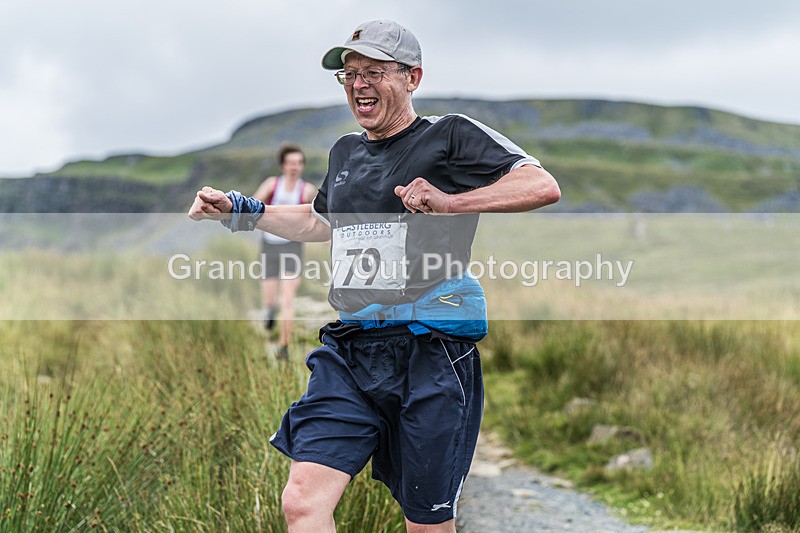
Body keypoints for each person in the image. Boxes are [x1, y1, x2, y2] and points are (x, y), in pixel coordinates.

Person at [188, 19, 560, 533]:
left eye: (374, 72)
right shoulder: (344, 152)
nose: (358, 84)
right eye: (349, 73)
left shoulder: (449, 135)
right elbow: (320, 223)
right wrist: (242, 209)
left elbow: (541, 185)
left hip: (430, 351)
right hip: (351, 349)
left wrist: (450, 202)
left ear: (413, 77)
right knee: (302, 501)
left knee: (425, 523)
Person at [252, 143, 317, 360]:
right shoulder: (272, 184)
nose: (294, 167)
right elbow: (253, 205)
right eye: (290, 163)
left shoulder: (306, 190)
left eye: (298, 163)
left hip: (292, 246)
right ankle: (271, 311)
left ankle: (284, 347)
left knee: (288, 298)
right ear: (282, 166)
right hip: (269, 245)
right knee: (271, 299)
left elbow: (318, 217)